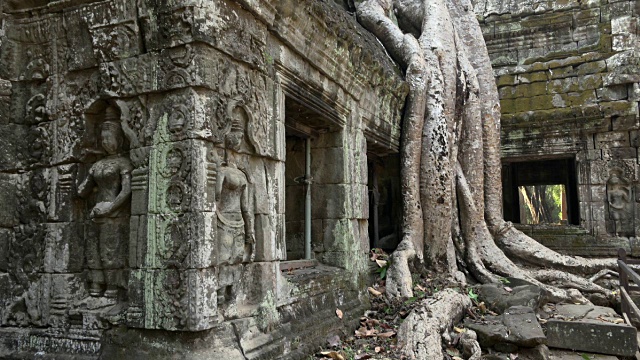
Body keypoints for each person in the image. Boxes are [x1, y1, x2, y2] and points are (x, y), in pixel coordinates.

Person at [77, 105, 132, 299]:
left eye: (110, 137)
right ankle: (96, 285)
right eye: (103, 138)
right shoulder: (97, 165)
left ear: (119, 139)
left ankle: (112, 289)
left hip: (113, 213)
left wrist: (110, 208)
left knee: (110, 251)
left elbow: (126, 190)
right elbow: (81, 192)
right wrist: (85, 165)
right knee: (93, 252)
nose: (106, 141)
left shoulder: (123, 163)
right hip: (95, 213)